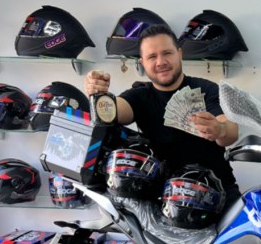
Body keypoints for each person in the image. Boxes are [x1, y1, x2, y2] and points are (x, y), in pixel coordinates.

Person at [84, 23, 241, 203]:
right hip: (166, 199)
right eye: (152, 56)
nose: (161, 62)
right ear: (142, 63)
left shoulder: (206, 89)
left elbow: (231, 131)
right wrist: (98, 95)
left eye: (167, 53)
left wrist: (220, 130)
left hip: (217, 192)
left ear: (179, 54)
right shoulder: (139, 96)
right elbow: (113, 111)